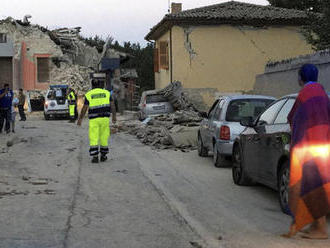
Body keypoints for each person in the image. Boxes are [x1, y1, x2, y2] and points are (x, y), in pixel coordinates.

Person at [283, 64, 330, 239]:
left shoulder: (304, 94)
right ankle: (315, 226)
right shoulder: (323, 94)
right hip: (324, 146)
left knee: (307, 185)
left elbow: (293, 117)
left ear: (301, 77)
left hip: (309, 146)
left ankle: (315, 229)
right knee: (317, 185)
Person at [77, 80, 117, 163]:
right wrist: (114, 117)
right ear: (100, 85)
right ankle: (103, 155)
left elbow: (85, 108)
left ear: (92, 85)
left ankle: (95, 156)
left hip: (94, 120)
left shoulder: (89, 94)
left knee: (94, 137)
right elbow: (112, 105)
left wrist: (80, 119)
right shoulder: (107, 93)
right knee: (104, 136)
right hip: (105, 119)